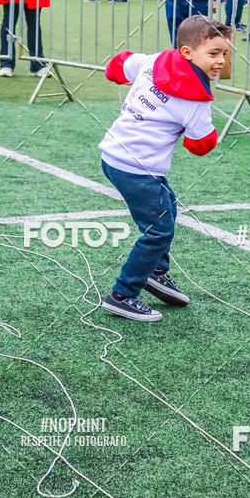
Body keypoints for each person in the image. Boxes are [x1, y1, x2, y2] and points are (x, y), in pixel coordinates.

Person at [98, 16, 231, 321]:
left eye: (224, 53)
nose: (221, 61)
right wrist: (200, 130)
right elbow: (200, 145)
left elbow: (118, 66)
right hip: (137, 168)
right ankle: (122, 295)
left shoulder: (153, 61)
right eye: (213, 54)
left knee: (167, 207)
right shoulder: (196, 102)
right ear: (187, 52)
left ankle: (155, 272)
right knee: (157, 231)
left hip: (114, 156)